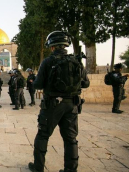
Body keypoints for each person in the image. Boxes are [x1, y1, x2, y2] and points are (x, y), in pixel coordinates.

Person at [28, 31, 90, 172]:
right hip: (72, 105)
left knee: (43, 135)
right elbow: (86, 84)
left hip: (52, 105)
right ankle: (71, 169)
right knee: (70, 138)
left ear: (51, 47)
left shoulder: (48, 61)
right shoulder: (76, 61)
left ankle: (38, 168)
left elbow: (37, 85)